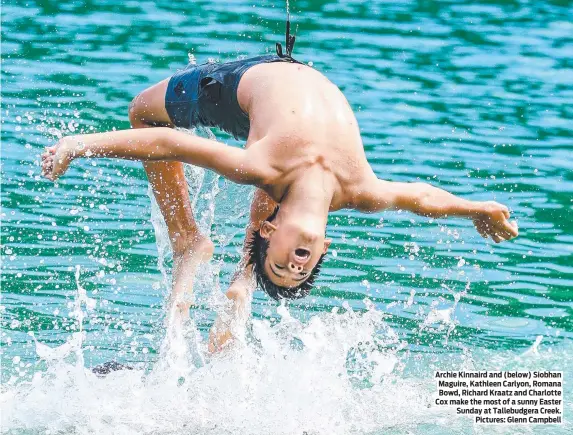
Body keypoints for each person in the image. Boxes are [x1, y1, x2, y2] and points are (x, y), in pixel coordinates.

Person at [41, 20, 518, 351]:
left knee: (142, 111)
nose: (294, 266)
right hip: (295, 83)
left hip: (241, 87)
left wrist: (78, 144)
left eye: (282, 267)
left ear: (267, 237)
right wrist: (477, 208)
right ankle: (243, 278)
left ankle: (190, 240)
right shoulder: (361, 191)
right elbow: (422, 198)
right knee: (283, 185)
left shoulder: (257, 168)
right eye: (301, 270)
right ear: (324, 245)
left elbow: (165, 141)